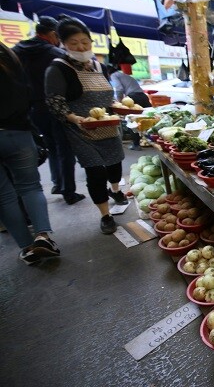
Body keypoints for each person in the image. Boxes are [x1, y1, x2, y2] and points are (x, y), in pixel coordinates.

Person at [44, 16, 128, 235]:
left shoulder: (100, 66)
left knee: (115, 164)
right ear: (62, 43)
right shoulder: (58, 68)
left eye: (85, 42)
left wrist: (118, 106)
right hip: (82, 130)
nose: (80, 47)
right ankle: (105, 215)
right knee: (95, 172)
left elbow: (109, 96)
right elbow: (54, 102)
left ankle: (116, 190)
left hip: (108, 126)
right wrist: (76, 119)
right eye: (74, 43)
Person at [12, 16, 84, 205]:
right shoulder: (55, 54)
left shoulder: (17, 51)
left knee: (50, 146)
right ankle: (68, 190)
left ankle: (56, 182)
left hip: (33, 108)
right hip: (57, 107)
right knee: (65, 149)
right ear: (53, 34)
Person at [0, 42, 61, 265]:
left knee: (4, 196)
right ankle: (42, 237)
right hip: (18, 131)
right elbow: (28, 93)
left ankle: (27, 249)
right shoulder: (7, 55)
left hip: (17, 130)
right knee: (30, 187)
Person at [108, 66, 151, 151]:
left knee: (132, 120)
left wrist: (120, 102)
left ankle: (136, 144)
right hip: (143, 96)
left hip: (133, 97)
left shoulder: (114, 75)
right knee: (149, 117)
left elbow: (119, 89)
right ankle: (152, 139)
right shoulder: (124, 75)